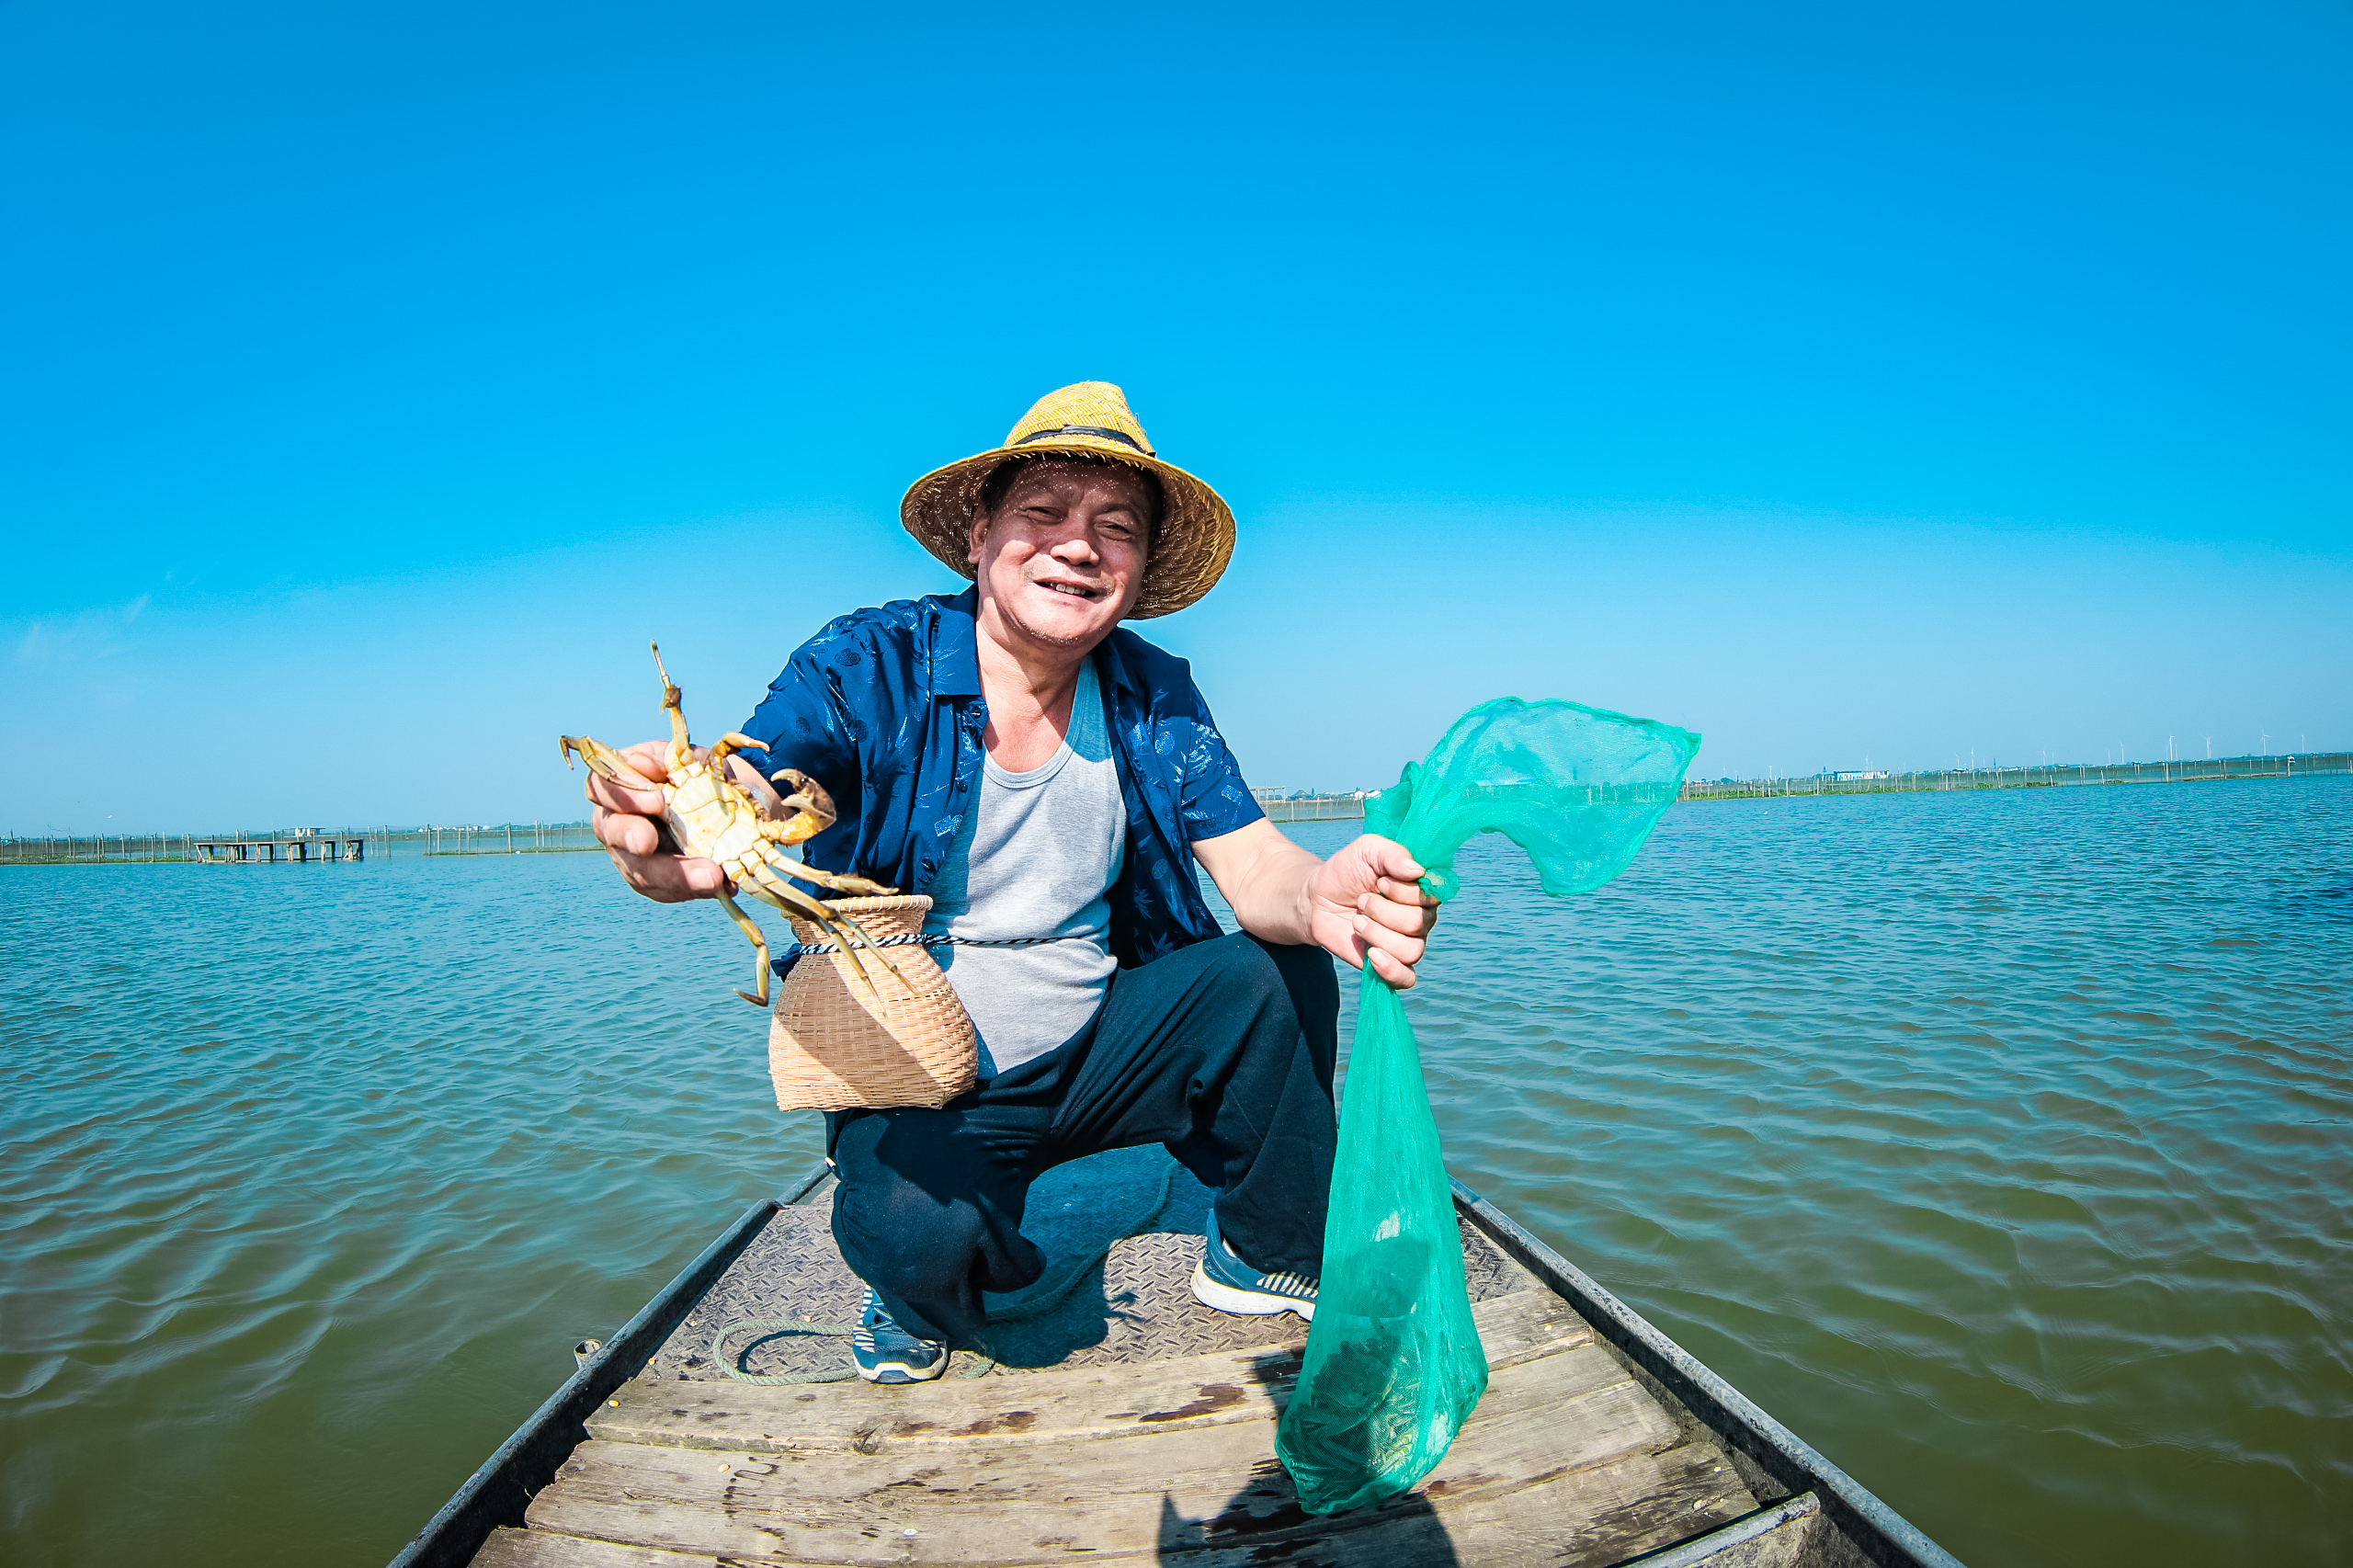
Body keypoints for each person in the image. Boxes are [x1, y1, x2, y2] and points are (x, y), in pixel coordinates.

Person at [582, 382, 1439, 1382]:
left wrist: (1319, 892)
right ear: (980, 536)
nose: (1078, 545)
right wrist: (681, 820)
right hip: (921, 1072)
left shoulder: (1154, 690)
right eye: (1043, 513)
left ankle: (1260, 1249)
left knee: (1278, 967)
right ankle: (924, 1271)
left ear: (1137, 566)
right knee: (916, 1239)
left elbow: (1254, 865)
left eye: (1114, 528)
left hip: (1104, 1045)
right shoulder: (872, 660)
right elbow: (770, 770)